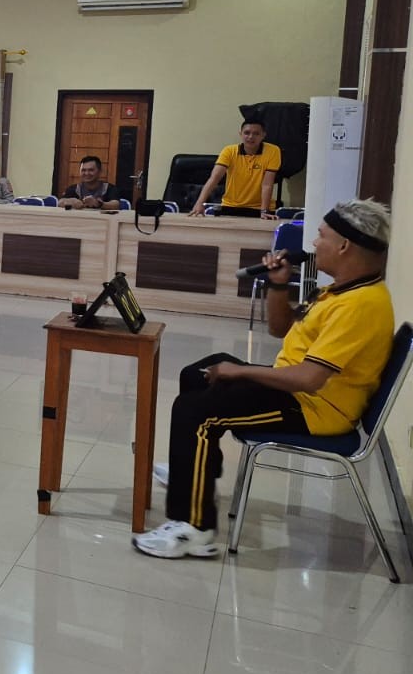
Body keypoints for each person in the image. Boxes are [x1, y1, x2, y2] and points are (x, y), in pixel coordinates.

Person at [134, 198, 394, 560]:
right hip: (301, 391)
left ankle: (193, 528)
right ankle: (196, 473)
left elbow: (309, 379)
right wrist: (278, 284)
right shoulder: (340, 290)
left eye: (321, 235)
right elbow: (280, 327)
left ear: (344, 245)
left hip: (314, 408)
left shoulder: (360, 304)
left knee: (196, 410)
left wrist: (239, 371)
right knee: (197, 374)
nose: (314, 243)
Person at [190, 117, 281, 218]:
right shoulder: (229, 151)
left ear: (263, 135)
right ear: (240, 134)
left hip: (260, 208)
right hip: (231, 206)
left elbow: (267, 184)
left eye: (256, 133)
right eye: (247, 133)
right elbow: (214, 178)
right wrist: (199, 203)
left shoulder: (273, 151)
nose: (251, 137)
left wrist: (264, 211)